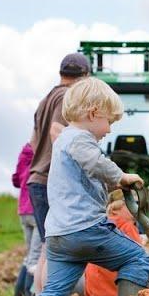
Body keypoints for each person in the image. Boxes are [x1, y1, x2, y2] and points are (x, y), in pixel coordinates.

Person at [9, 77, 149, 296]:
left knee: (52, 294)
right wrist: (121, 177)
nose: (109, 130)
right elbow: (94, 163)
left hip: (60, 237)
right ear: (92, 113)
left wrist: (110, 191)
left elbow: (85, 176)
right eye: (108, 121)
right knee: (137, 258)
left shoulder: (63, 140)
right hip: (85, 229)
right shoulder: (80, 139)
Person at [26, 53, 91, 243]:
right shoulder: (66, 97)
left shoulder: (46, 99)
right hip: (50, 183)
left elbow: (33, 143)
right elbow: (56, 131)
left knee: (48, 251)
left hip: (37, 180)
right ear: (85, 76)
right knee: (61, 251)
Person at [84, 194, 149, 296]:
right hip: (113, 291)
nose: (136, 208)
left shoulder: (100, 224)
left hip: (94, 290)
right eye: (131, 204)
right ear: (115, 209)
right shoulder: (126, 225)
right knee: (139, 272)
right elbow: (142, 259)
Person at [11, 142, 42, 296]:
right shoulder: (43, 153)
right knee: (35, 256)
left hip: (23, 210)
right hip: (36, 208)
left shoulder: (25, 152)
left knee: (30, 254)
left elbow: (16, 180)